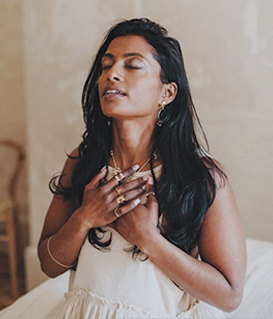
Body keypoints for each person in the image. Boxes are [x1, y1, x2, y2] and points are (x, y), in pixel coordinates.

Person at [36, 18, 246, 318]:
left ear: (167, 93)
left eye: (132, 65)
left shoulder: (202, 177)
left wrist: (148, 239)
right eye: (106, 66)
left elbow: (229, 296)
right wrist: (83, 218)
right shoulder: (83, 162)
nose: (113, 75)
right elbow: (48, 265)